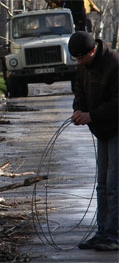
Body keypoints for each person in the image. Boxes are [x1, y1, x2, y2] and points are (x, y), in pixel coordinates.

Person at [68, 31, 118, 251]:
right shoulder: (83, 65)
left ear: (93, 51)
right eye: (76, 59)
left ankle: (114, 235)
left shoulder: (114, 63)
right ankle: (102, 231)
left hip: (117, 128)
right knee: (102, 185)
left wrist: (92, 115)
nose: (79, 63)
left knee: (115, 184)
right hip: (102, 130)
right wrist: (79, 109)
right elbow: (79, 89)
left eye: (82, 58)